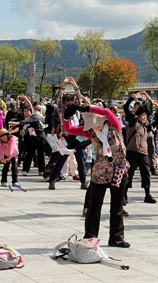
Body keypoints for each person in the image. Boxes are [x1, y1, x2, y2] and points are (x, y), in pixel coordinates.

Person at [62, 104, 131, 248]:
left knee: (117, 206)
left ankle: (116, 237)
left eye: (96, 124)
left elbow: (106, 111)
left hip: (119, 170)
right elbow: (69, 129)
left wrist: (88, 108)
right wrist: (66, 117)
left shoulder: (114, 126)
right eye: (92, 126)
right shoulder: (90, 133)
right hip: (100, 172)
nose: (95, 128)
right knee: (94, 206)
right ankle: (90, 236)